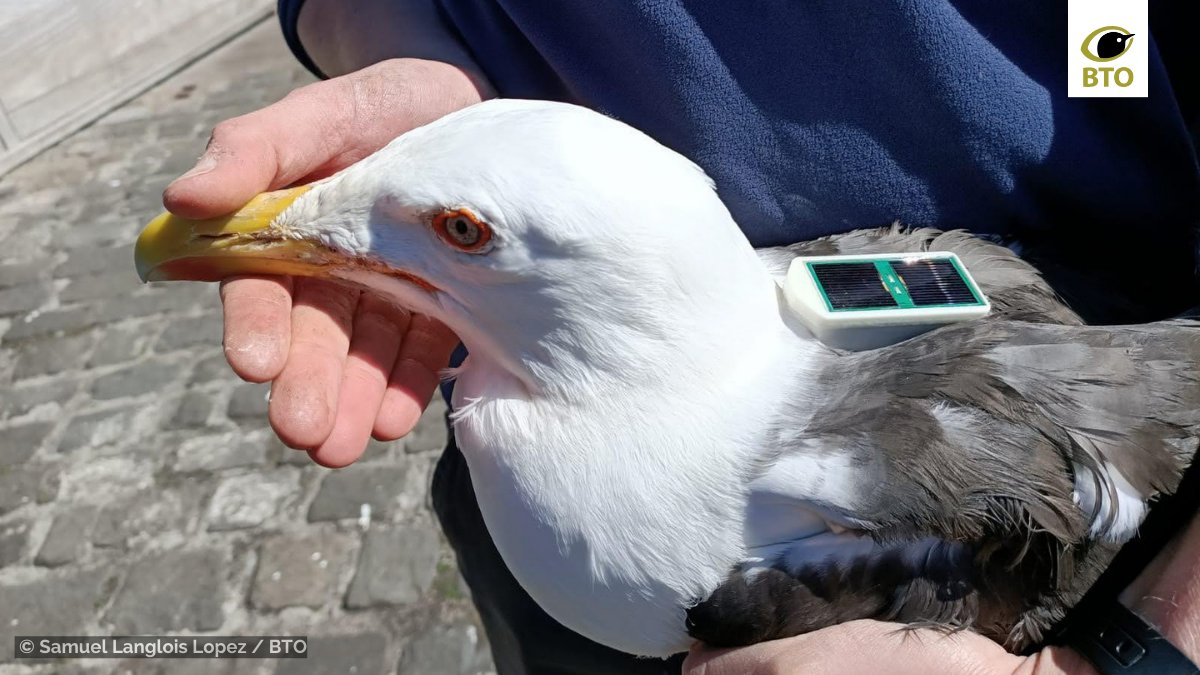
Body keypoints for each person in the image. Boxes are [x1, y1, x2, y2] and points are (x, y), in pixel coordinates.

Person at [162, 1, 1200, 673]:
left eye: (463, 232)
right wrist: (424, 86)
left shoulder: (796, 533)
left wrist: (1131, 658)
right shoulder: (764, 308)